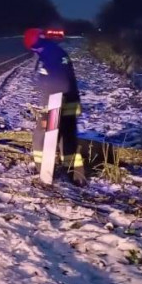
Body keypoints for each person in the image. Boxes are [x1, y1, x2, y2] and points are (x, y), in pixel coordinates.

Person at [24, 28, 85, 184]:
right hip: (70, 104)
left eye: (35, 49)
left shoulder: (51, 57)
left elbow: (57, 83)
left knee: (41, 137)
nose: (35, 52)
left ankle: (44, 172)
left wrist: (49, 107)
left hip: (56, 106)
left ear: (38, 45)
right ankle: (76, 176)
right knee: (68, 140)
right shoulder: (58, 52)